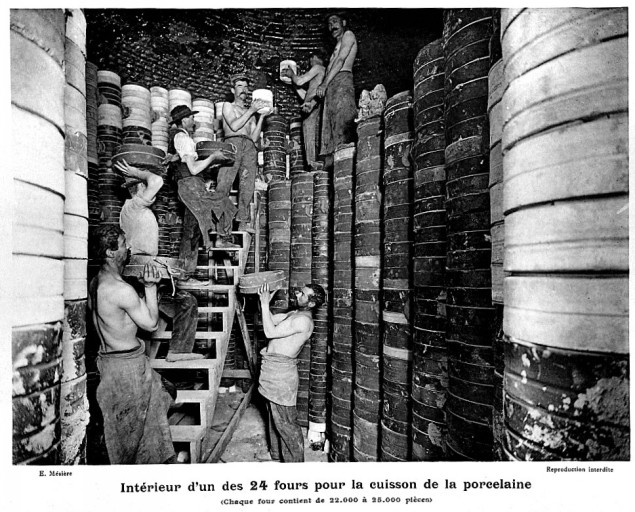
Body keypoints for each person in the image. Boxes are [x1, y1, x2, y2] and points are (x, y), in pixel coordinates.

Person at [88, 224, 175, 464]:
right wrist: (149, 288)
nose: (129, 248)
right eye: (123, 243)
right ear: (110, 252)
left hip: (108, 363)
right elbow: (150, 324)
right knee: (132, 434)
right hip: (127, 370)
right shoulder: (121, 290)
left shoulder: (95, 283)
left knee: (125, 425)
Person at [116, 160, 203, 362]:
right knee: (178, 306)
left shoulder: (139, 211)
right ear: (139, 188)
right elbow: (156, 181)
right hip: (138, 280)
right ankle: (157, 357)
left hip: (146, 276)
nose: (152, 190)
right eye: (145, 185)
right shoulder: (133, 207)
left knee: (187, 302)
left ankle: (178, 351)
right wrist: (137, 171)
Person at [257, 282, 327, 462]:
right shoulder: (295, 314)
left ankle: (294, 467)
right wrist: (262, 302)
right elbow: (270, 320)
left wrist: (265, 305)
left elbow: (269, 332)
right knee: (273, 418)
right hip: (272, 371)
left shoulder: (303, 321)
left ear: (311, 303)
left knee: (286, 424)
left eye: (302, 294)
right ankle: (276, 455)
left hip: (282, 376)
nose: (297, 294)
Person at [167, 104, 235, 271]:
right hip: (190, 187)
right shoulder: (184, 139)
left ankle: (187, 269)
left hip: (189, 186)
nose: (193, 120)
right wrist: (213, 156)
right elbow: (193, 169)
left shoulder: (178, 139)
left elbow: (190, 165)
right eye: (191, 118)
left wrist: (211, 165)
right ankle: (185, 271)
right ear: (184, 120)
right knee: (218, 207)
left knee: (195, 227)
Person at [217, 73, 267, 243]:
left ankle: (243, 222)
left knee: (247, 186)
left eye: (246, 87)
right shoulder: (227, 106)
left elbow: (253, 137)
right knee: (224, 185)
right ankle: (222, 232)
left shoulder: (250, 113)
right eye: (240, 86)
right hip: (232, 144)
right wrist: (252, 110)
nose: (244, 90)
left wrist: (261, 117)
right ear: (232, 90)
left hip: (248, 147)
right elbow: (235, 125)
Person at [316, 12, 358, 156]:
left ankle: (344, 161)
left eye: (335, 21)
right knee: (330, 130)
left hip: (342, 83)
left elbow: (340, 61)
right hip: (331, 87)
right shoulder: (336, 44)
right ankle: (331, 166)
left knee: (342, 126)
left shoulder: (348, 35)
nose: (332, 26)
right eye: (329, 24)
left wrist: (323, 84)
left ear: (344, 22)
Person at [283, 53, 326, 169]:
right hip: (311, 107)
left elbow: (300, 81)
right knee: (309, 137)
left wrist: (292, 75)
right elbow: (305, 95)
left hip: (314, 106)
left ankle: (314, 164)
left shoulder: (318, 68)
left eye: (312, 58)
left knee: (312, 137)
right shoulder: (319, 75)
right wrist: (293, 81)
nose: (310, 61)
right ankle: (313, 164)